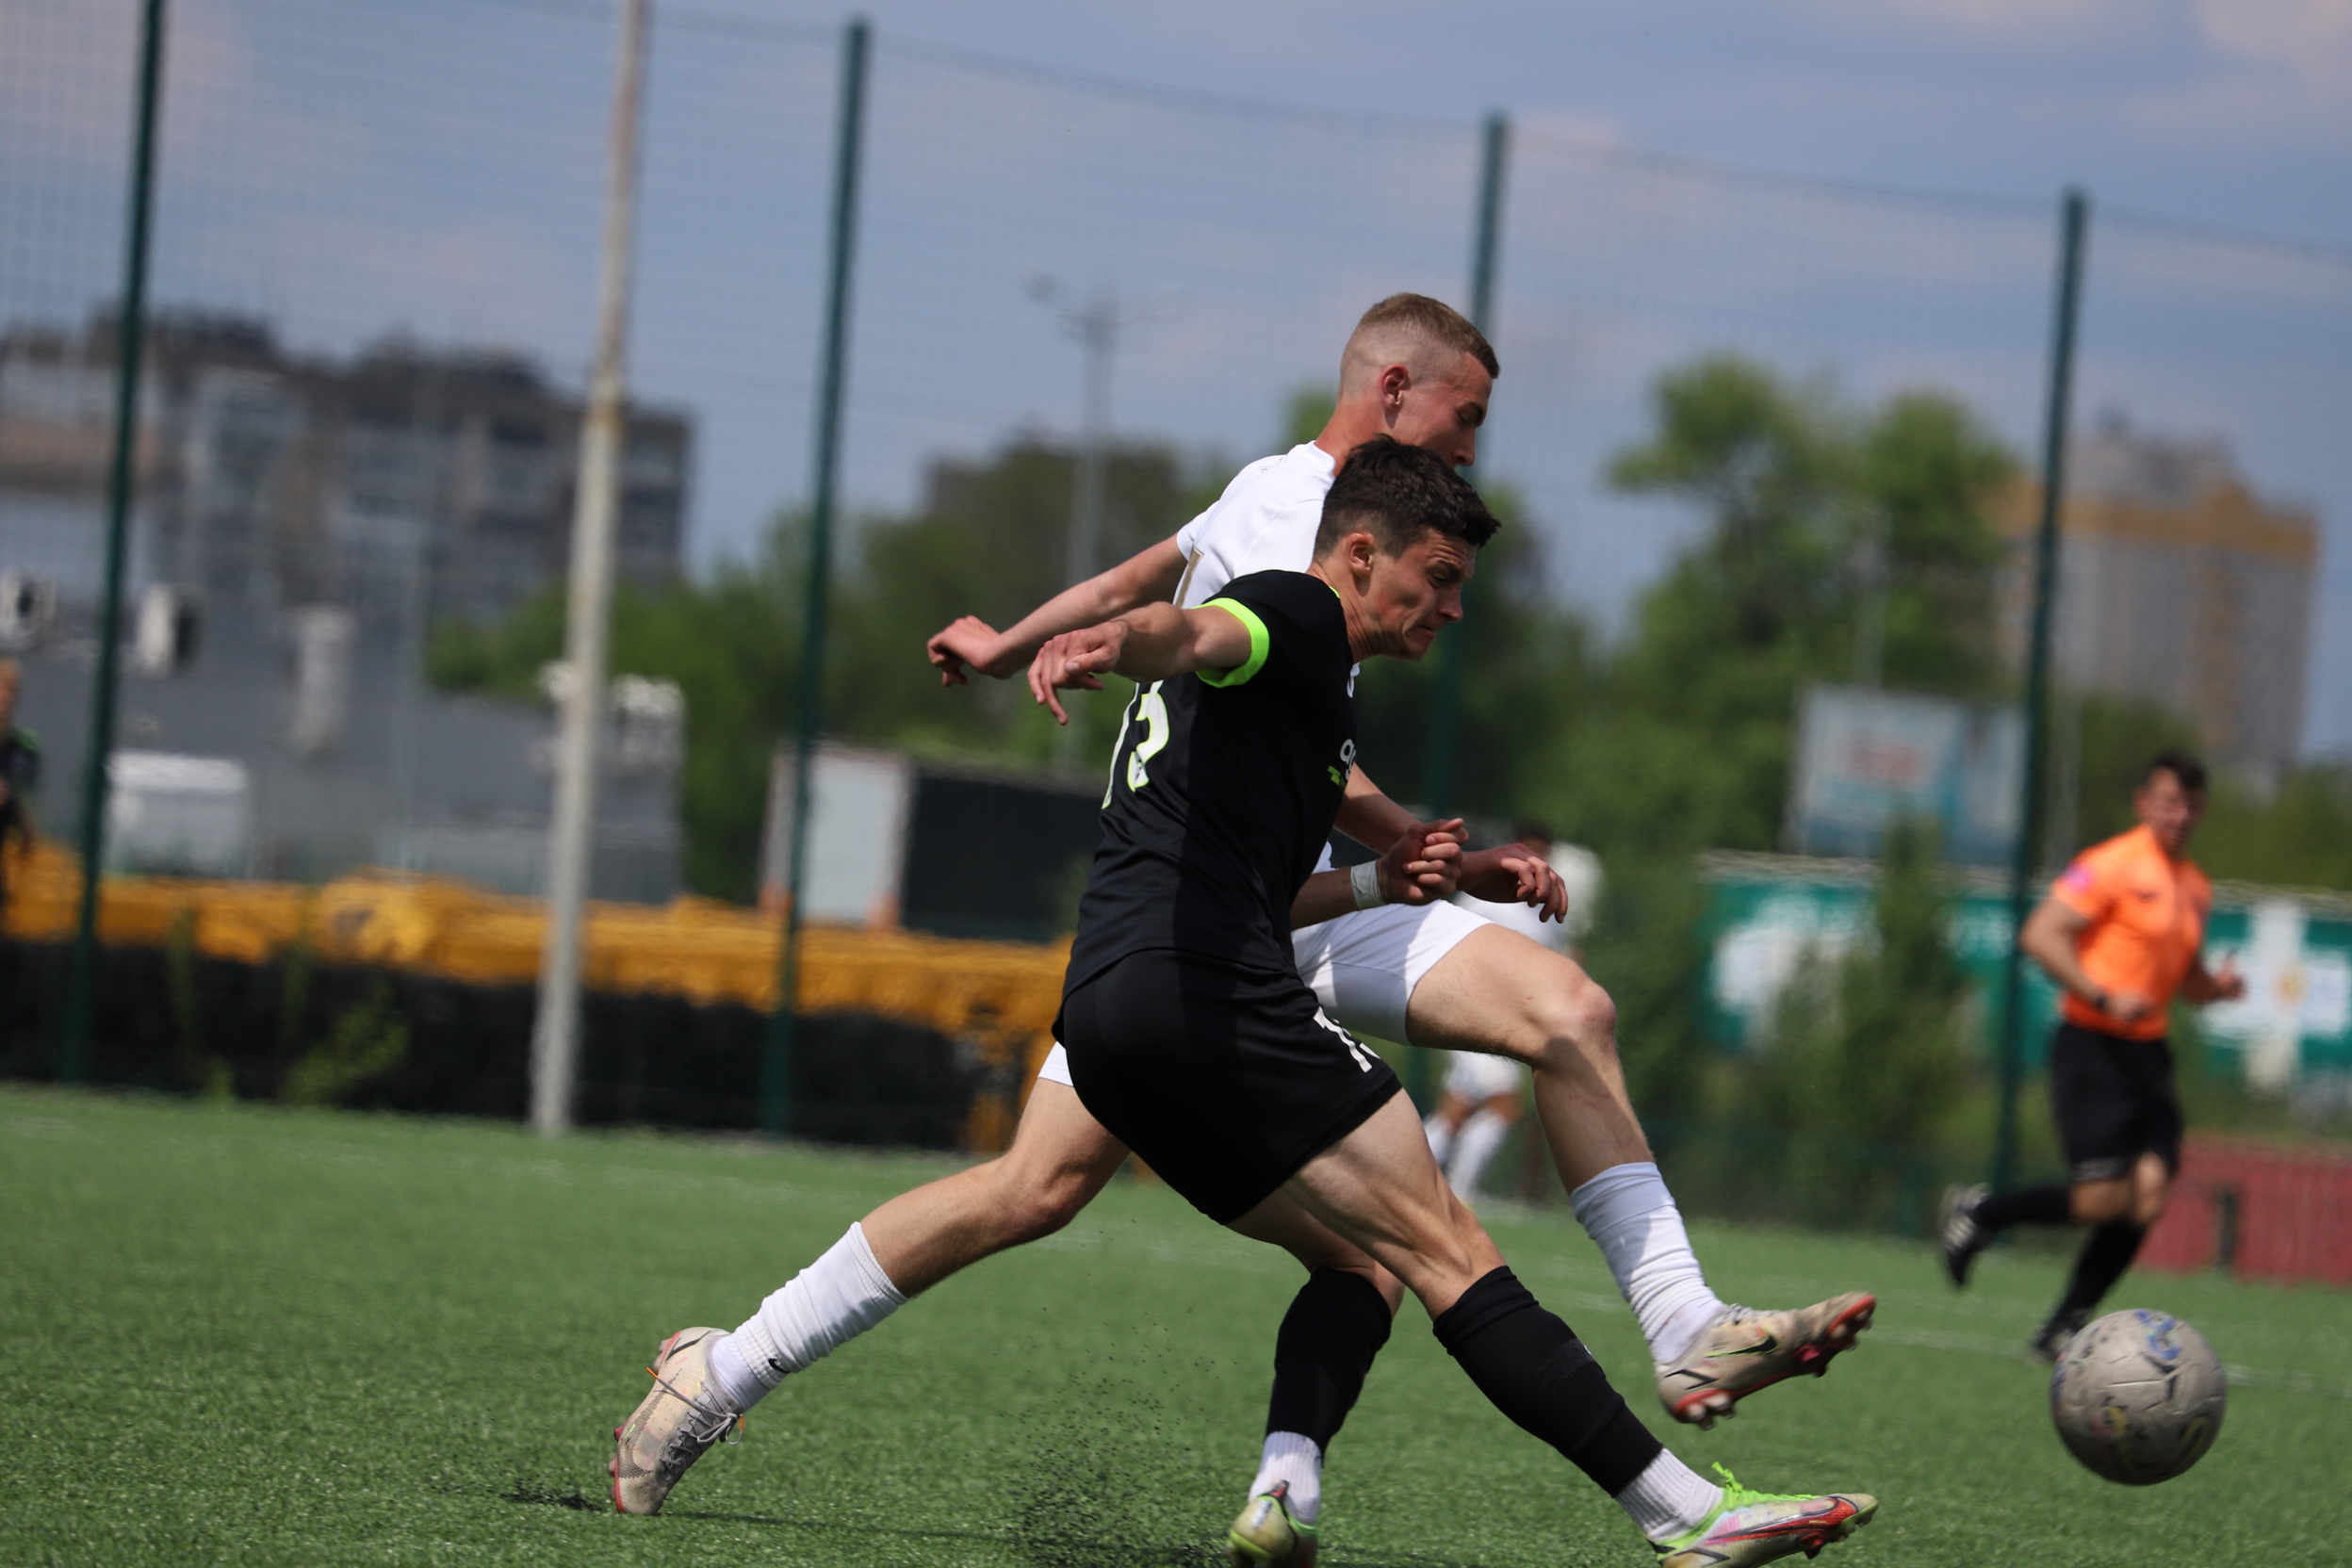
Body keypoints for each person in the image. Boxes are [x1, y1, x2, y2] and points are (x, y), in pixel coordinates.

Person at [608, 297, 1870, 1536]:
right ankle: (1683, 1456)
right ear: (1388, 421)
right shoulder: (1305, 556)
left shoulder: (1264, 510)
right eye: (1467, 419)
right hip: (1223, 969)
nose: (1472, 453)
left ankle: (738, 1374)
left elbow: (1154, 585)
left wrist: (1034, 645)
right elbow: (1201, 626)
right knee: (1486, 1161)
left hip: (1142, 971)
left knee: (1144, 1211)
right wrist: (1117, 644)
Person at [1940, 751, 2245, 1359]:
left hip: (2149, 1054)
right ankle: (1983, 1211)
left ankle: (2063, 1325)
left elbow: (2186, 979)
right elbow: (2040, 933)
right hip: (2092, 1047)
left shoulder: (2195, 886)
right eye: (2169, 803)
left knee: (2149, 1197)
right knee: (2103, 1200)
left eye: (2191, 806)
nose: (2180, 815)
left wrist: (2215, 988)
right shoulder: (2111, 864)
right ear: (2144, 803)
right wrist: (2101, 993)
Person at [1422, 822, 1593, 1204]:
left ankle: (1410, 1184)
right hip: (1473, 1013)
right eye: (1529, 850)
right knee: (1504, 1106)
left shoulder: (1540, 906)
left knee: (1454, 1112)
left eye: (1543, 853)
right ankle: (1459, 1194)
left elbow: (1552, 961)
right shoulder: (1484, 897)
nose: (1537, 860)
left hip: (1509, 1020)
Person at [0, 659, 41, 908]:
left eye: (11, 690)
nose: (5, 697)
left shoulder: (22, 747)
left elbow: (24, 797)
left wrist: (26, 820)